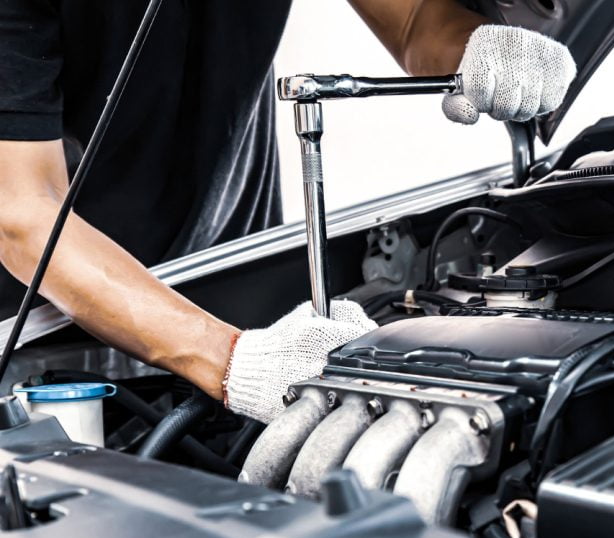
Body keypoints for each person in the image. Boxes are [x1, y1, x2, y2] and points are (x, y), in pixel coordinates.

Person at [0, 0, 575, 423]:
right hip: (45, 334)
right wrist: (232, 361)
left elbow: (415, 16)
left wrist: (477, 47)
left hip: (233, 271)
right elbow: (24, 213)